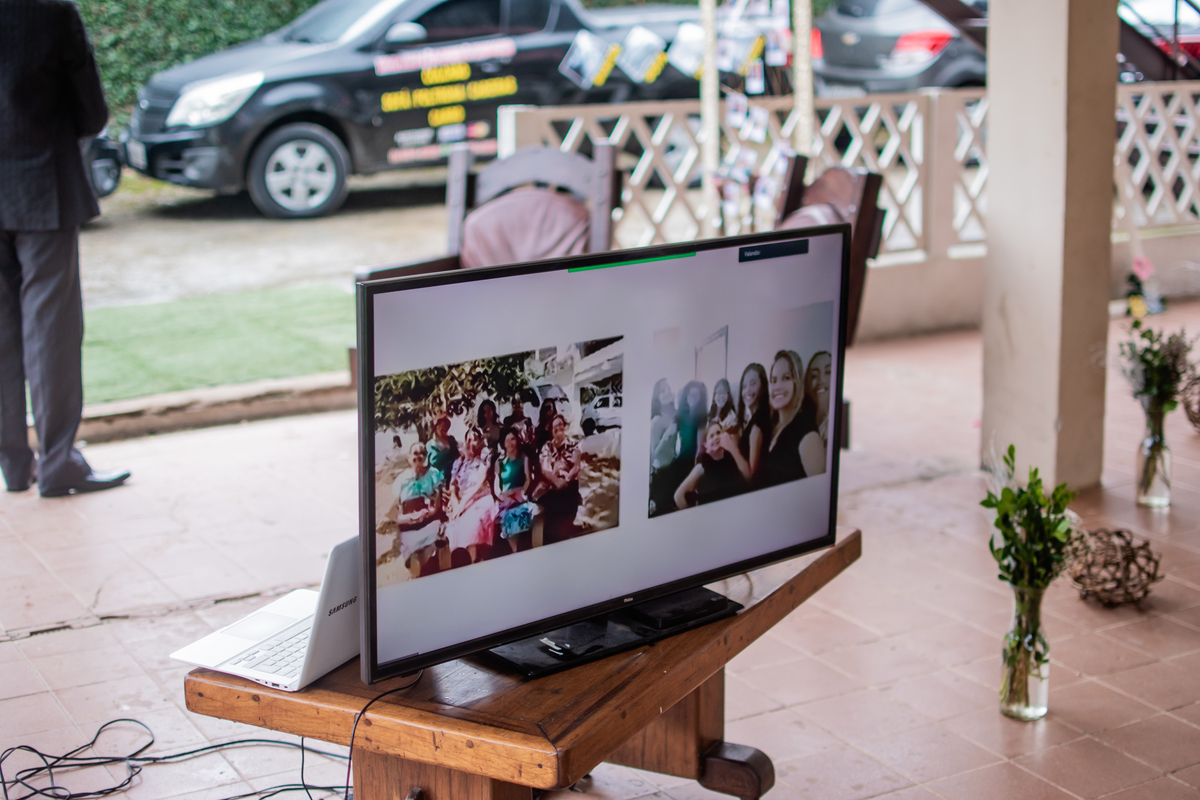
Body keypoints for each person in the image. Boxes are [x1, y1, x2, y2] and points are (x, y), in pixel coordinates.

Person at [0, 1, 130, 496]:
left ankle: (13, 465)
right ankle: (56, 464)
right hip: (42, 186)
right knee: (51, 329)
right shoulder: (52, 11)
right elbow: (92, 113)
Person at [384, 443, 445, 578]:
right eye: (415, 454)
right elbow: (394, 515)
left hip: (429, 522)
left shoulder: (433, 474)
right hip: (409, 527)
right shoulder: (401, 480)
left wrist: (427, 513)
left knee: (439, 546)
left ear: (426, 456)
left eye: (422, 453)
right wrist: (410, 518)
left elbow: (437, 505)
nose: (418, 456)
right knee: (415, 557)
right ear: (408, 457)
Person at [759, 350, 817, 487]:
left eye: (786, 378)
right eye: (773, 380)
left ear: (796, 383)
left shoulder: (808, 436)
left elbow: (817, 495)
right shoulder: (772, 426)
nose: (777, 386)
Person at [442, 427, 497, 563]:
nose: (469, 443)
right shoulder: (458, 462)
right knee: (452, 528)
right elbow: (453, 485)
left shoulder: (483, 461)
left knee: (470, 524)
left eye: (473, 440)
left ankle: (472, 562)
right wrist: (455, 501)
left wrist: (462, 505)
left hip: (480, 499)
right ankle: (458, 565)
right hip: (461, 503)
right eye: (468, 439)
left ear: (479, 442)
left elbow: (477, 484)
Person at [674, 421, 748, 509]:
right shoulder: (703, 465)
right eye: (711, 436)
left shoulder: (732, 457)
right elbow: (678, 496)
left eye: (718, 433)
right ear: (706, 444)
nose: (716, 437)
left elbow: (748, 477)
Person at [536, 414, 580, 544]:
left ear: (565, 426)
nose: (558, 428)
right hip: (552, 488)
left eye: (560, 424)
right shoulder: (547, 447)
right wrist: (557, 482)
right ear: (551, 431)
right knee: (551, 523)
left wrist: (565, 481)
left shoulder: (573, 445)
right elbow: (545, 470)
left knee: (566, 525)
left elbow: (576, 467)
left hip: (569, 487)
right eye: (555, 426)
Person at [493, 427, 538, 552]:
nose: (510, 443)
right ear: (503, 444)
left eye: (513, 439)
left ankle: (522, 548)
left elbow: (528, 479)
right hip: (505, 498)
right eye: (507, 440)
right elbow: (497, 484)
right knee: (505, 517)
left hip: (519, 496)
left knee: (521, 514)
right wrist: (501, 496)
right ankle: (514, 550)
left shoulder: (523, 458)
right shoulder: (499, 462)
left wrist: (522, 492)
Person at [648, 378, 679, 516]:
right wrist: (666, 436)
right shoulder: (656, 421)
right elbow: (653, 454)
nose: (667, 392)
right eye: (662, 391)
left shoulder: (674, 415)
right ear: (657, 398)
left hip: (673, 470)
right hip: (660, 475)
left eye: (668, 389)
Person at [736, 363, 770, 485]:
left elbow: (751, 476)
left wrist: (731, 447)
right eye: (744, 386)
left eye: (753, 384)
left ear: (763, 385)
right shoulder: (755, 419)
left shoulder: (758, 423)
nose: (747, 390)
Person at [799, 351, 832, 477]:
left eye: (828, 372)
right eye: (814, 375)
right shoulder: (802, 423)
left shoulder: (831, 426)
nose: (821, 380)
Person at [426, 415, 458, 486]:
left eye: (446, 426)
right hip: (435, 478)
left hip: (450, 476)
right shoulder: (430, 445)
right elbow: (427, 464)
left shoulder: (451, 441)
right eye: (441, 425)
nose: (444, 428)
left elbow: (457, 457)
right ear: (436, 427)